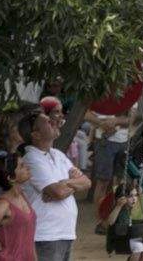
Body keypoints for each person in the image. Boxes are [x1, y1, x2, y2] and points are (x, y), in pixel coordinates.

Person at [20, 107, 89, 261]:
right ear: (35, 134)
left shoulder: (57, 154)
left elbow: (87, 182)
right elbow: (57, 192)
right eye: (48, 122)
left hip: (64, 231)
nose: (55, 123)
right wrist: (69, 185)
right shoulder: (32, 158)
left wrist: (65, 183)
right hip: (46, 234)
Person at [0, 151, 37, 261]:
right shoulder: (3, 204)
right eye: (22, 166)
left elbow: (28, 237)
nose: (27, 168)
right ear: (11, 178)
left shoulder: (22, 197)